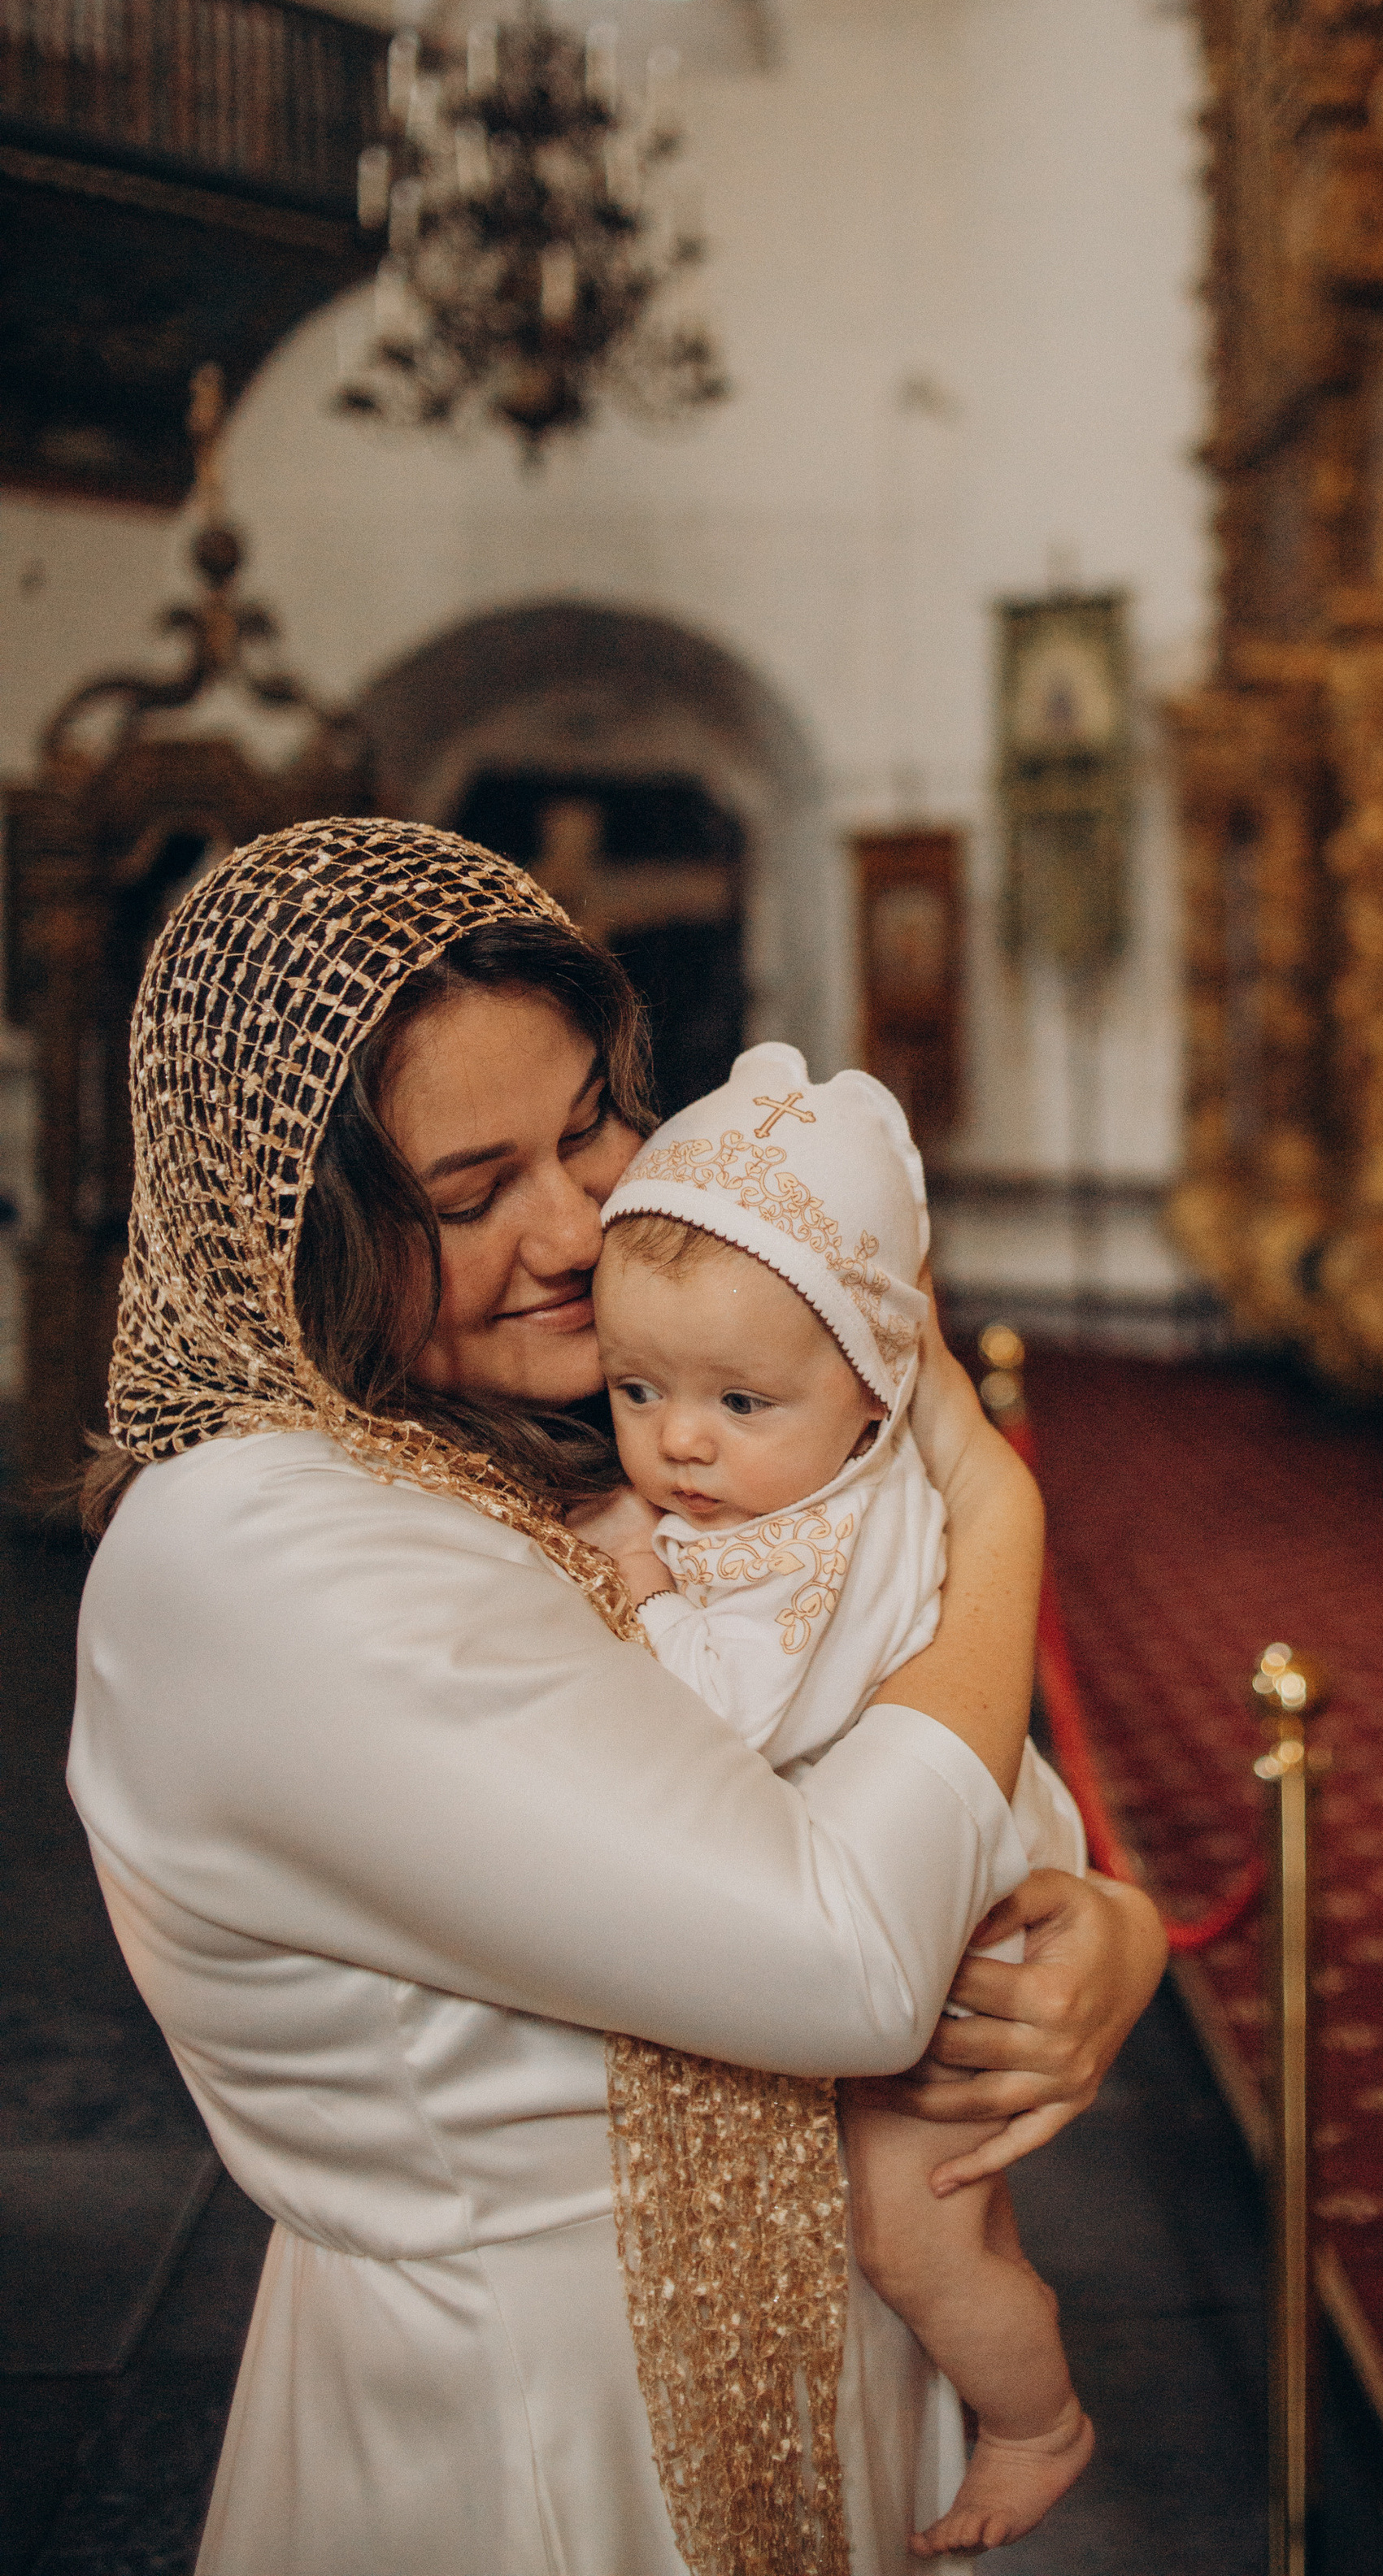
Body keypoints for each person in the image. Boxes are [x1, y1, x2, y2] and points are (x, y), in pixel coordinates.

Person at [65, 818, 1165, 2576]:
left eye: (588, 1121)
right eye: (470, 1191)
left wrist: (1100, 1937)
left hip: (812, 2345)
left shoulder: (576, 1431)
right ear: (293, 1227)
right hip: (530, 2436)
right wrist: (998, 1503)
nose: (579, 1223)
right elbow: (845, 1953)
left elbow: (824, 1755)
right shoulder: (253, 1551)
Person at [583, 1048, 1094, 2557]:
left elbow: (732, 1720)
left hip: (961, 1909)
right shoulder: (786, 1478)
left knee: (917, 2234)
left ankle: (1039, 2420)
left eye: (738, 1399)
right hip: (924, 1849)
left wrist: (638, 1595)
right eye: (636, 1389)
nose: (680, 1441)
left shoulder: (828, 1541)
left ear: (871, 1396)